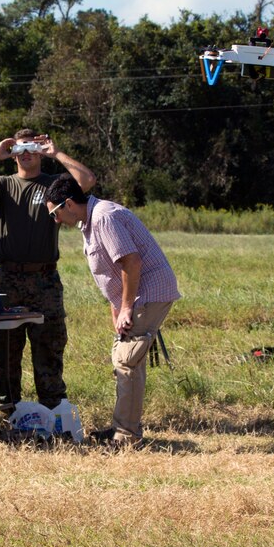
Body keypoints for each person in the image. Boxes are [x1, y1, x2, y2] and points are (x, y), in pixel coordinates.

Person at [44, 174, 180, 446]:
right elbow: (112, 273)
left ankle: (126, 436)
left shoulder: (104, 217)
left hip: (149, 293)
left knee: (126, 361)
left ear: (69, 204)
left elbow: (131, 263)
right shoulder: (91, 221)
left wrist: (128, 307)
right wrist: (118, 310)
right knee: (130, 361)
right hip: (136, 295)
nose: (55, 220)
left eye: (55, 213)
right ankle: (126, 429)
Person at [0, 129, 96, 410]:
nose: (26, 153)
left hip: (44, 279)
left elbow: (86, 181)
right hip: (7, 278)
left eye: (32, 148)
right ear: (13, 153)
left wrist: (56, 152)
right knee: (3, 347)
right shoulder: (3, 184)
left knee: (49, 346)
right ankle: (7, 408)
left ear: (40, 151)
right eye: (20, 148)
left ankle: (52, 410)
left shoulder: (53, 185)